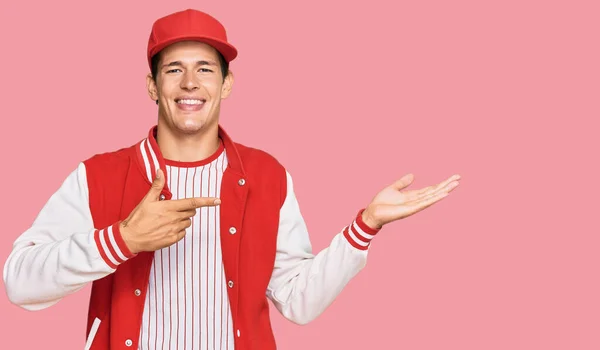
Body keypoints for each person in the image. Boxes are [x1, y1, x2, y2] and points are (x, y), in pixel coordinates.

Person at [2, 8, 460, 350]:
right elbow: (20, 283)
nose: (189, 83)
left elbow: (298, 302)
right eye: (173, 70)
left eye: (204, 69)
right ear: (151, 87)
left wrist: (365, 226)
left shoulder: (267, 175)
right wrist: (122, 240)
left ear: (226, 84)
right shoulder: (96, 175)